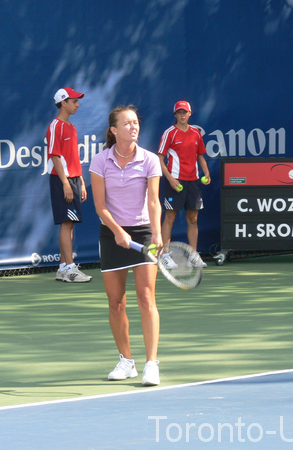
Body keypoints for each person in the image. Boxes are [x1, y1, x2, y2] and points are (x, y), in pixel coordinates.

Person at [89, 105, 163, 386]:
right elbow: (100, 205)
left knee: (146, 298)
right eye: (127, 123)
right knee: (116, 302)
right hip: (111, 235)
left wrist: (156, 234)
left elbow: (154, 201)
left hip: (144, 233)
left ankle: (151, 364)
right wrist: (118, 231)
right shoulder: (100, 161)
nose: (133, 127)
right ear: (114, 130)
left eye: (136, 123)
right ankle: (126, 362)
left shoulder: (150, 160)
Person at [46, 87, 92, 283]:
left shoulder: (71, 127)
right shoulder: (55, 126)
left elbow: (73, 157)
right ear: (63, 103)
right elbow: (55, 156)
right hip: (61, 180)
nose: (77, 104)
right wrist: (65, 183)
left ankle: (64, 267)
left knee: (69, 224)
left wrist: (80, 181)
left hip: (73, 179)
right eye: (74, 101)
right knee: (66, 224)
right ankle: (70, 269)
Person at [158, 100, 210, 269]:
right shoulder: (169, 133)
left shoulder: (196, 133)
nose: (182, 115)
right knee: (170, 217)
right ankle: (164, 255)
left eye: (185, 112)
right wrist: (170, 179)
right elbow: (160, 158)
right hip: (175, 181)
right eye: (179, 112)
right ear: (175, 115)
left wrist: (206, 172)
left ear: (189, 114)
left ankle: (193, 256)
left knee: (193, 219)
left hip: (194, 181)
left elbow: (200, 155)